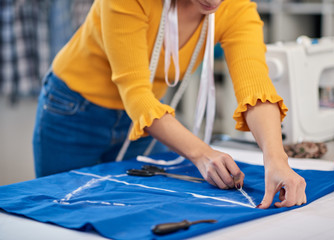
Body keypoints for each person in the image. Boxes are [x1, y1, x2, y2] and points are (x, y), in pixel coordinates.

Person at [33, 0, 307, 209]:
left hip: (145, 120)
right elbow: (137, 95)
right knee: (62, 211)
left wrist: (276, 159)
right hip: (72, 111)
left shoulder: (235, 8)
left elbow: (256, 89)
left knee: (132, 210)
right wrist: (201, 153)